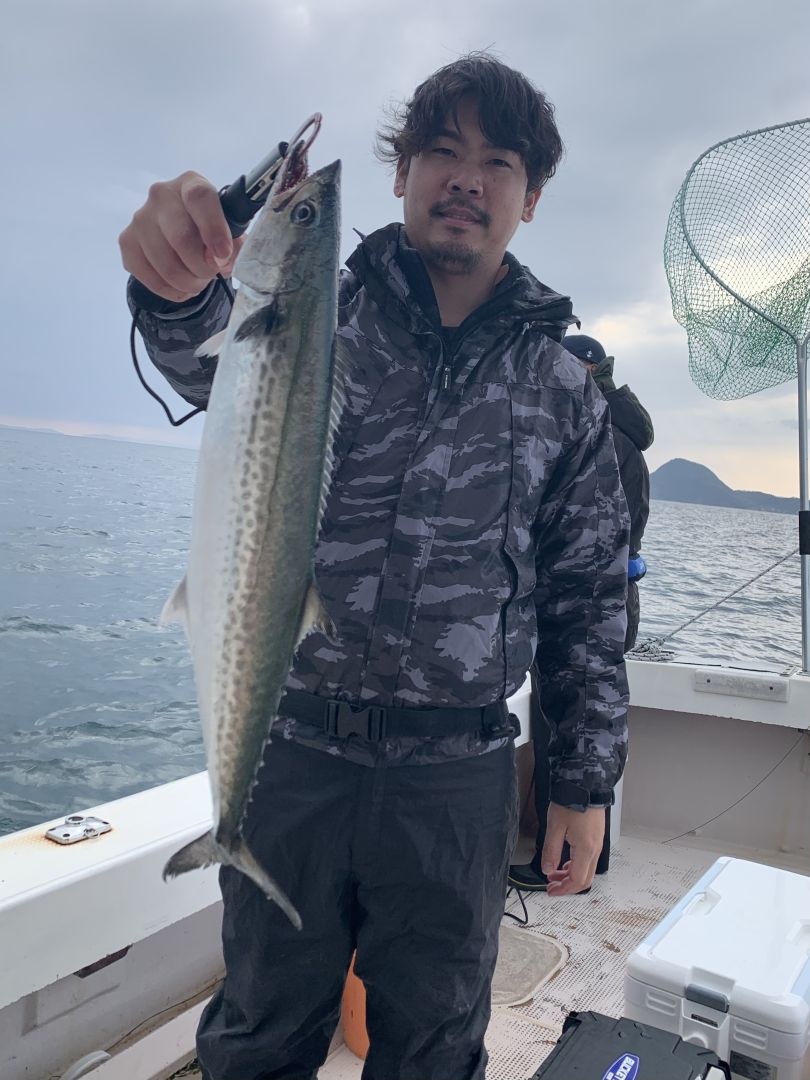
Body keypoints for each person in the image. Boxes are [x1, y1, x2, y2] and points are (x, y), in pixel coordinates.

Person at [119, 54, 630, 1080]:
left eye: (499, 163)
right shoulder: (319, 313)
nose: (467, 179)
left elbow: (589, 591)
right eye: (442, 150)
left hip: (457, 778)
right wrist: (169, 284)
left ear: (531, 198)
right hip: (294, 753)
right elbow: (197, 347)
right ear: (400, 173)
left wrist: (581, 781)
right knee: (258, 1038)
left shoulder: (564, 386)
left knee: (434, 1051)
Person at [509, 332, 652, 895]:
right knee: (570, 720)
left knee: (562, 721)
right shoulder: (625, 435)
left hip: (591, 602)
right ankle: (589, 856)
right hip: (615, 598)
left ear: (586, 370)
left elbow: (592, 539)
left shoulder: (599, 435)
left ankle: (566, 862)